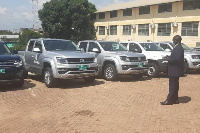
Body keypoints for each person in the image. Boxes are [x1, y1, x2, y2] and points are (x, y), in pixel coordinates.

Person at [160, 35, 184, 105]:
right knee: (175, 85)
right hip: (175, 70)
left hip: (174, 70)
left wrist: (169, 59)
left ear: (176, 40)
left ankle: (169, 100)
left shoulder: (179, 48)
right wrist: (170, 57)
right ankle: (175, 99)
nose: (173, 41)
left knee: (172, 85)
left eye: (174, 40)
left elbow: (177, 59)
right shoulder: (177, 47)